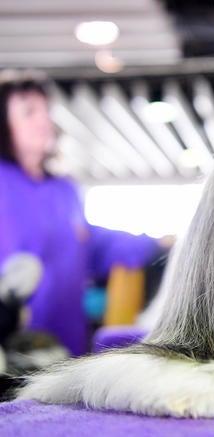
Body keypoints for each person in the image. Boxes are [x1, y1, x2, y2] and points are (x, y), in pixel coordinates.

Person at [0, 70, 171, 356]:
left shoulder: (64, 190)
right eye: (29, 112)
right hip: (12, 347)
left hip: (65, 343)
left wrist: (155, 243)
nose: (44, 120)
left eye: (45, 110)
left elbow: (91, 244)